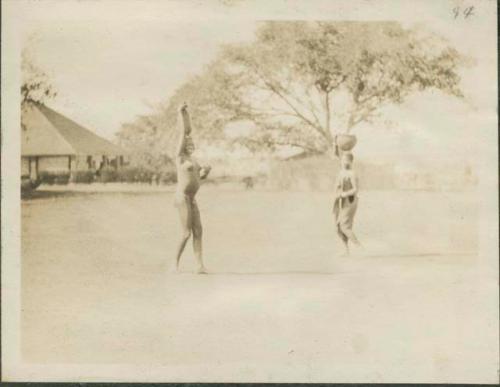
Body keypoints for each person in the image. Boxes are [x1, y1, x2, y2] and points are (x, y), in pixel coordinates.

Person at [172, 103, 211, 273]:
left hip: (192, 198)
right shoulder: (180, 157)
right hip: (182, 197)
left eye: (192, 143)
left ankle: (199, 266)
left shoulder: (195, 160)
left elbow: (199, 179)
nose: (190, 144)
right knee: (186, 233)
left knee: (199, 231)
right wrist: (182, 113)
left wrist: (205, 173)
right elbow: (184, 132)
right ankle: (174, 264)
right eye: (187, 143)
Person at [333, 146, 362, 256]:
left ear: (350, 161)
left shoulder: (352, 173)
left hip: (350, 200)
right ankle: (346, 250)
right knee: (338, 228)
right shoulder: (342, 170)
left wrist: (343, 194)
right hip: (340, 200)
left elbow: (355, 189)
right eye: (342, 159)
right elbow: (336, 153)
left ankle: (360, 248)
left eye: (346, 160)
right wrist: (335, 143)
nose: (344, 161)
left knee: (345, 227)